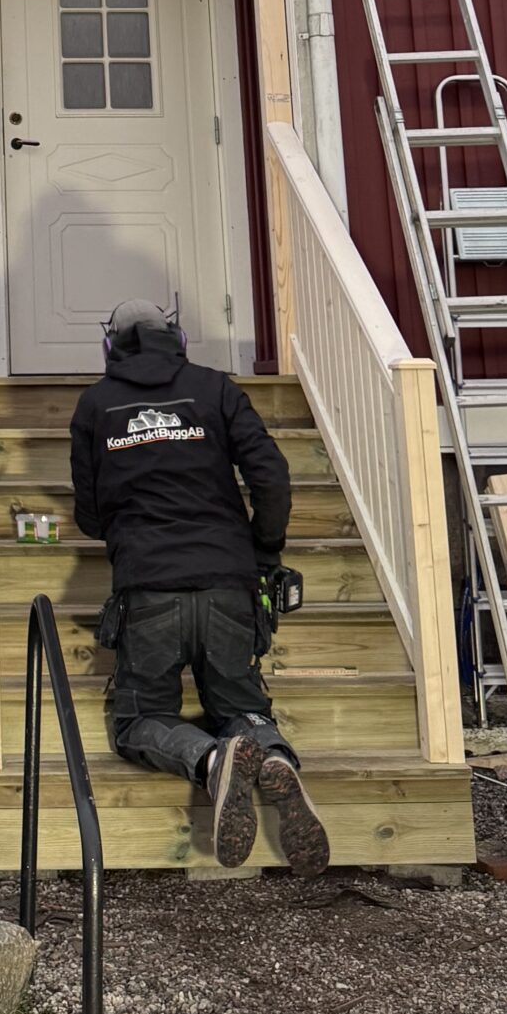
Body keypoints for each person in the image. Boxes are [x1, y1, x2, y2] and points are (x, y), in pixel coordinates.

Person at [69, 298, 331, 875]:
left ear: (110, 346)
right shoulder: (216, 389)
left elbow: (89, 516)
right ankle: (274, 758)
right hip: (228, 584)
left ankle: (212, 761)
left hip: (149, 589)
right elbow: (271, 476)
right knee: (242, 706)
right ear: (178, 338)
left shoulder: (96, 404)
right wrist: (264, 549)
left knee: (139, 721)